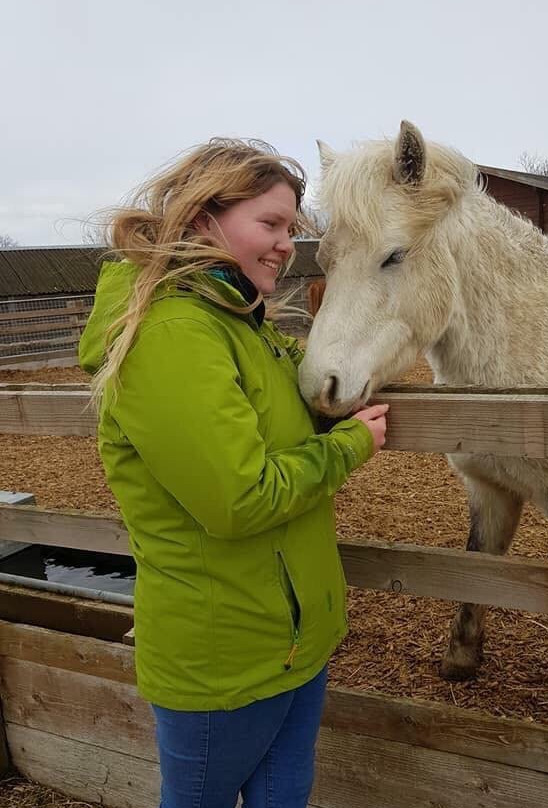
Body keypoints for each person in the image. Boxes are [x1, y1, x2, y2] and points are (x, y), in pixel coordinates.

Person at [78, 138, 389, 808]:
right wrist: (350, 448)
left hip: (291, 642)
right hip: (223, 657)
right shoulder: (172, 335)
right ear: (202, 220)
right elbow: (239, 498)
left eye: (291, 228)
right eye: (270, 225)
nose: (286, 244)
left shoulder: (243, 324)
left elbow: (282, 430)